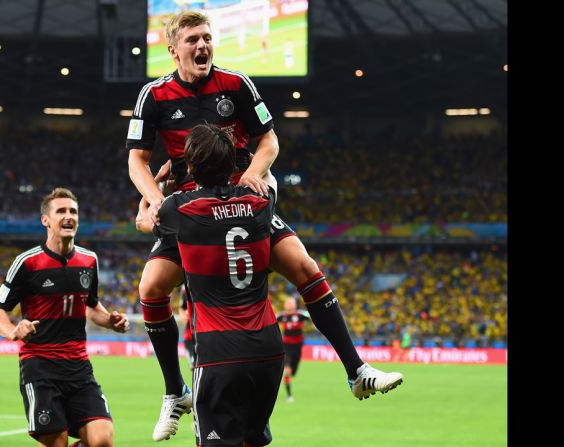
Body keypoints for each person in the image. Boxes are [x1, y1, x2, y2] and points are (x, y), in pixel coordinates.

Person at [126, 10, 403, 441]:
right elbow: (137, 160)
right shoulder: (153, 95)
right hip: (190, 210)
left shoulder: (236, 84)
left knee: (305, 266)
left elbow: (269, 139)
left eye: (207, 38)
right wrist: (159, 202)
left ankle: (356, 369)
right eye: (193, 40)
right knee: (150, 289)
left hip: (240, 201)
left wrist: (255, 171)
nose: (203, 46)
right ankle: (173, 392)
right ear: (173, 48)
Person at [138, 123, 282, 446]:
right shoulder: (261, 202)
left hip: (219, 355)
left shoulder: (181, 210)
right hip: (268, 350)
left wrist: (155, 187)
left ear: (189, 167)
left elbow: (144, 219)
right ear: (234, 165)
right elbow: (269, 178)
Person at [0, 187, 130, 447]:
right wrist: (13, 331)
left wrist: (111, 321)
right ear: (46, 220)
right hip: (39, 367)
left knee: (102, 440)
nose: (69, 216)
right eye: (61, 211)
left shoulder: (89, 260)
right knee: (57, 441)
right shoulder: (27, 263)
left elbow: (91, 306)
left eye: (73, 211)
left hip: (78, 367)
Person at [275, 296, 311, 403]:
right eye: (288, 303)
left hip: (297, 347)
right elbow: (270, 322)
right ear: (285, 305)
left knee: (293, 372)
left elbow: (314, 317)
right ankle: (289, 396)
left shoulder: (301, 315)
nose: (290, 305)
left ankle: (291, 375)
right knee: (287, 371)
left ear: (295, 304)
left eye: (291, 303)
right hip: (286, 347)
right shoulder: (281, 316)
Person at [178, 287, 196, 369]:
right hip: (191, 324)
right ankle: (192, 360)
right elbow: (181, 307)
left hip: (204, 323)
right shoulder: (184, 288)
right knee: (188, 338)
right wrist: (183, 315)